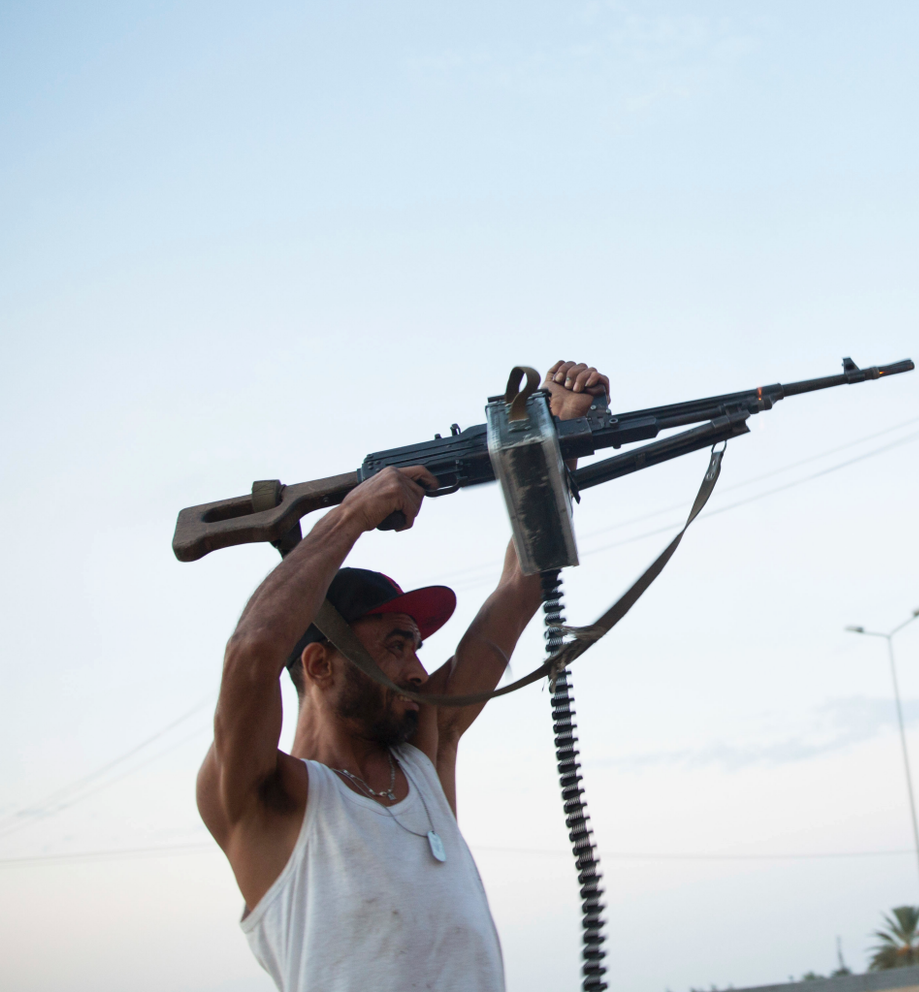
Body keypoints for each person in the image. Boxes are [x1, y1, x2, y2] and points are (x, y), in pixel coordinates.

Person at [195, 361, 611, 992]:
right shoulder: (264, 798)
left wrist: (552, 441)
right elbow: (252, 650)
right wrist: (348, 516)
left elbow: (522, 582)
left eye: (417, 647)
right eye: (396, 646)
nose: (419, 671)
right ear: (319, 663)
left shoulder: (425, 749)